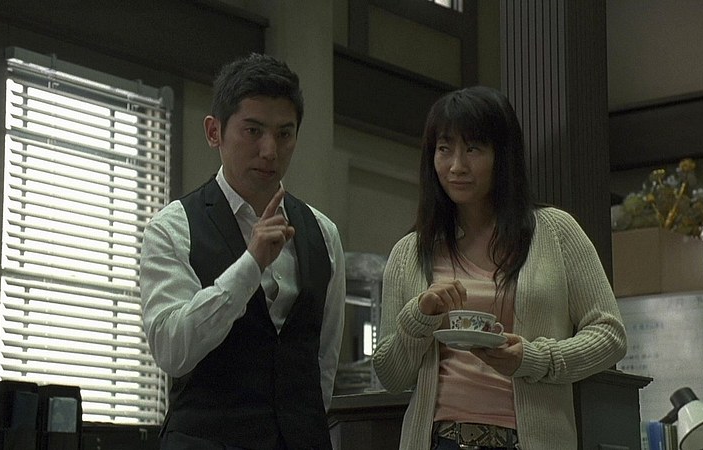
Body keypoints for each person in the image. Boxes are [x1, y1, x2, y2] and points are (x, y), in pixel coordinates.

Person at [372, 85, 627, 450]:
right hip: (441, 440)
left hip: (528, 440)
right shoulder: (410, 252)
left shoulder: (555, 232)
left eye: (473, 148)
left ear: (502, 155)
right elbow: (391, 376)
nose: (457, 166)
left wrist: (533, 359)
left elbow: (610, 336)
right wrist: (420, 316)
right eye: (444, 149)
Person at [140, 53, 345, 450]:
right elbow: (171, 349)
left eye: (284, 134)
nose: (269, 150)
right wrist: (250, 265)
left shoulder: (322, 233)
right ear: (214, 131)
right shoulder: (173, 226)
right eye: (253, 131)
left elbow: (324, 359)